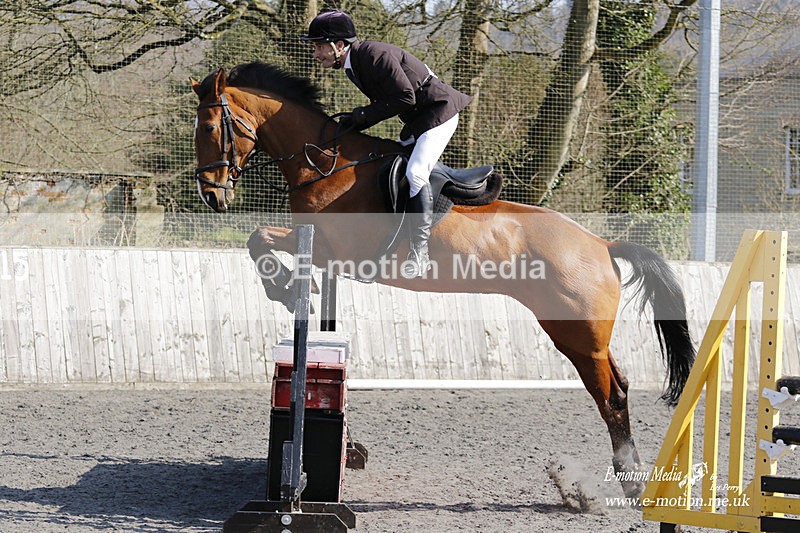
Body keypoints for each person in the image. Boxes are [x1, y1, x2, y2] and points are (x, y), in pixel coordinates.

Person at [301, 9, 472, 278]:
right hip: (419, 120)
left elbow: (405, 98)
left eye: (320, 46)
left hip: (439, 113)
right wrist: (357, 121)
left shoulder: (373, 56)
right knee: (389, 163)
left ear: (340, 45)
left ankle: (420, 252)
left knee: (416, 173)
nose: (316, 53)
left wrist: (362, 116)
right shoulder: (355, 64)